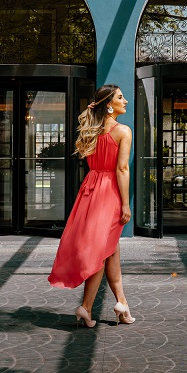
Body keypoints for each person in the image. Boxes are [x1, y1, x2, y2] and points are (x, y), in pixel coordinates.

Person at [48, 84, 135, 327]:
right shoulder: (123, 131)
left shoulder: (91, 131)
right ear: (109, 105)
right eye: (120, 97)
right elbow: (122, 169)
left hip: (90, 190)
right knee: (101, 251)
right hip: (108, 192)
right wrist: (126, 204)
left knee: (108, 249)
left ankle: (121, 304)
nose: (125, 100)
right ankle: (87, 307)